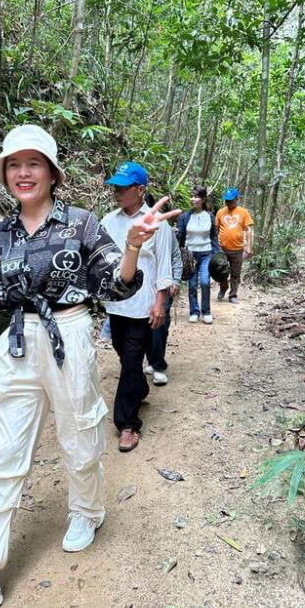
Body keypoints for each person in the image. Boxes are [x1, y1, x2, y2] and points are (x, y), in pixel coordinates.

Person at [0, 125, 173, 608]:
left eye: (33, 163)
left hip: (71, 333)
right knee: (3, 452)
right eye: (14, 165)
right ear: (5, 174)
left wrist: (133, 248)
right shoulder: (3, 231)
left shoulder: (80, 222)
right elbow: (6, 296)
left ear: (52, 173)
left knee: (79, 433)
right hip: (18, 342)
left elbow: (115, 289)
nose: (23, 173)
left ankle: (87, 512)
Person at [101, 162, 178, 452]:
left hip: (143, 305)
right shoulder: (109, 220)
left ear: (140, 190)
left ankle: (128, 423)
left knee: (132, 361)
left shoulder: (159, 224)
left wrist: (160, 302)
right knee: (124, 354)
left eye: (123, 187)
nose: (116, 192)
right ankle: (140, 389)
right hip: (115, 304)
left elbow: (163, 264)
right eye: (115, 187)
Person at [144, 216, 182, 385]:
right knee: (144, 326)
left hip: (163, 284)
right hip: (141, 287)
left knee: (159, 326)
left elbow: (175, 255)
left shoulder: (164, 228)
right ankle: (152, 360)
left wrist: (176, 280)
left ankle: (158, 366)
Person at [177, 185, 219, 324]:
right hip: (190, 255)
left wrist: (217, 254)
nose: (192, 199)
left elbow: (213, 236)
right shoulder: (185, 217)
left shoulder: (210, 216)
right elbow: (180, 236)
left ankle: (206, 311)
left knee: (205, 282)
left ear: (203, 199)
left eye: (196, 196)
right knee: (192, 284)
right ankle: (194, 311)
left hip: (206, 253)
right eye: (192, 196)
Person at [215, 187, 254, 305]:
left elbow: (248, 230)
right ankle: (223, 287)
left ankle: (233, 294)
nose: (228, 202)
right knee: (220, 271)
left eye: (231, 200)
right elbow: (217, 229)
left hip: (237, 248)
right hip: (222, 247)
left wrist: (249, 247)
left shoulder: (243, 212)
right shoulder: (220, 212)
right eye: (226, 200)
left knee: (235, 273)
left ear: (237, 199)